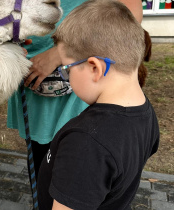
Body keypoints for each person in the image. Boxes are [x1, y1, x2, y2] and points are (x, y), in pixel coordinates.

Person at [37, 0, 160, 209]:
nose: (66, 76)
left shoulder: (86, 144)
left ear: (95, 67)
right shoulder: (145, 113)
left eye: (67, 69)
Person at [7, 0, 143, 182]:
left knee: (77, 159)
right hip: (31, 77)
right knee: (43, 161)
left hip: (79, 81)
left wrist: (60, 53)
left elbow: (128, 15)